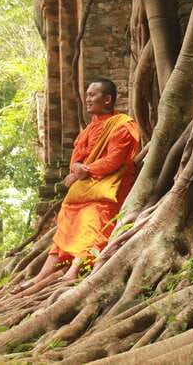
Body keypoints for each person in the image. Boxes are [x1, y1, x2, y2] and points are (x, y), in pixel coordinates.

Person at [23, 78, 139, 286]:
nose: (87, 99)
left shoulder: (122, 125)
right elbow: (76, 159)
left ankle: (74, 270)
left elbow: (114, 160)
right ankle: (42, 275)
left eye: (92, 95)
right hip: (85, 186)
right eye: (86, 95)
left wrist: (84, 171)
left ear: (107, 99)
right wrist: (77, 169)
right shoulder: (87, 130)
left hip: (111, 185)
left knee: (91, 216)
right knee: (67, 215)